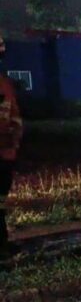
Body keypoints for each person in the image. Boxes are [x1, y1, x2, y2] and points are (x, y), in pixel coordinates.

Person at [0, 36, 23, 258]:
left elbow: (15, 118)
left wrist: (13, 144)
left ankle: (2, 242)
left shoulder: (5, 85)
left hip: (5, 154)